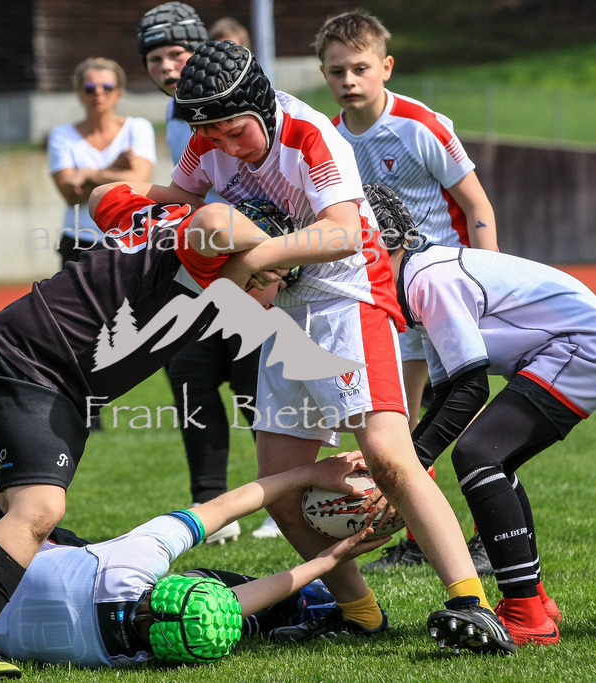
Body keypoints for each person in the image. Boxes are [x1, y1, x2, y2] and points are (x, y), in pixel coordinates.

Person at [0, 180, 330, 679]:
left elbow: (104, 196)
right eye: (280, 279)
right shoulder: (207, 252)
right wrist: (265, 249)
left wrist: (166, 202)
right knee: (40, 509)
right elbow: (213, 222)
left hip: (46, 367)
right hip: (35, 362)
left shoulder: (166, 224)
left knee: (10, 502)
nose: (276, 297)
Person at [164, 40, 514, 654]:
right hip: (282, 314)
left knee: (388, 456)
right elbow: (184, 201)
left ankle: (471, 603)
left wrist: (252, 259)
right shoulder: (208, 137)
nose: (224, 145)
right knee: (278, 486)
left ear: (261, 106)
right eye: (211, 134)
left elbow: (345, 231)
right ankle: (359, 611)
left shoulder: (309, 132)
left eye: (235, 131)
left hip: (348, 301)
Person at [366, 182, 596, 646]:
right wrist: (409, 459)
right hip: (572, 345)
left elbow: (471, 387)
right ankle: (532, 603)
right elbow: (448, 387)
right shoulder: (419, 279)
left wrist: (412, 462)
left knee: (478, 454)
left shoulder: (429, 280)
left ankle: (529, 616)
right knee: (489, 457)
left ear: (384, 242)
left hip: (581, 347)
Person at [315, 9, 499, 572]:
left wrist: (485, 288)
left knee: (465, 424)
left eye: (360, 67)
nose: (348, 80)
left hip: (445, 298)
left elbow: (476, 205)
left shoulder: (420, 125)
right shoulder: (332, 140)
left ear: (386, 67)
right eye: (336, 70)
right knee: (401, 430)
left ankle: (490, 538)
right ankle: (420, 539)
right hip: (389, 304)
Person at [0, 452, 388, 668]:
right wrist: (326, 559)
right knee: (218, 607)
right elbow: (230, 602)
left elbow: (228, 506)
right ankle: (300, 606)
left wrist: (308, 473)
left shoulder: (128, 563)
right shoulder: (118, 658)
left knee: (19, 506)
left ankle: (295, 605)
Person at [137, 3, 262, 544]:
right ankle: (210, 506)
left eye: (177, 54)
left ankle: (279, 498)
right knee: (191, 382)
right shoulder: (174, 114)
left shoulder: (240, 100)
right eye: (156, 58)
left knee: (261, 387)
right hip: (197, 264)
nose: (167, 67)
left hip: (252, 263)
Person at [48, 57, 156, 267]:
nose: (98, 93)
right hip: (79, 241)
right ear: (79, 92)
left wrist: (87, 173)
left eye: (107, 87)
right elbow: (71, 195)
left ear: (119, 92)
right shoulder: (61, 135)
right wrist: (115, 168)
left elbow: (137, 182)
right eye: (90, 88)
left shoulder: (138, 128)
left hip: (130, 239)